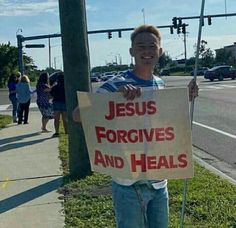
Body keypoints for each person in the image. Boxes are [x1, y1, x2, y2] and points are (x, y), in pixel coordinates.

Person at [73, 24, 199, 228]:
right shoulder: (115, 85)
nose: (146, 51)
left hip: (158, 182)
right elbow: (78, 115)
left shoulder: (160, 84)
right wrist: (114, 100)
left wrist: (185, 98)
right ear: (132, 51)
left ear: (160, 51)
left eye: (152, 46)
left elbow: (161, 123)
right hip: (128, 183)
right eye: (141, 46)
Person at [50, 72, 68, 137]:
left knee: (56, 119)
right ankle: (66, 131)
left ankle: (57, 132)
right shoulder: (67, 87)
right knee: (65, 119)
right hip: (64, 102)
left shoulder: (55, 87)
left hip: (56, 102)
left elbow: (51, 95)